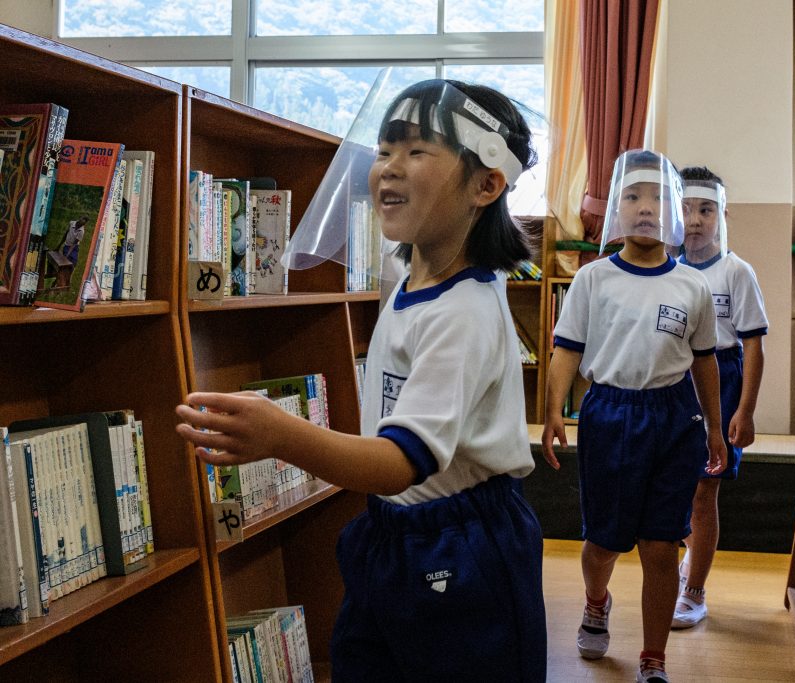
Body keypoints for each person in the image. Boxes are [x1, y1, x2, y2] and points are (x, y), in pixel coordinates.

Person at [175, 78, 547, 683]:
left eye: (417, 151)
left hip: (463, 545)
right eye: (383, 150)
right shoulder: (407, 278)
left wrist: (282, 435)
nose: (389, 169)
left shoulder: (466, 311)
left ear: (486, 184)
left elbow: (401, 462)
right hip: (393, 530)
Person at [542, 149, 727, 683]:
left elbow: (705, 363)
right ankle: (596, 601)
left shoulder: (691, 285)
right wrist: (554, 409)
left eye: (657, 197)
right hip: (610, 416)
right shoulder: (593, 280)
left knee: (661, 545)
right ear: (615, 209)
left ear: (672, 210)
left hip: (673, 418)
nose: (645, 207)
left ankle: (653, 657)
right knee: (603, 542)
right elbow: (566, 349)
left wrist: (715, 426)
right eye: (632, 196)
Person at [671, 166, 767, 629]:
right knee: (673, 488)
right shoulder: (664, 269)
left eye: (705, 209)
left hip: (722, 382)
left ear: (721, 214)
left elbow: (753, 347)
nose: (694, 220)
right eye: (686, 209)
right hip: (671, 384)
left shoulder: (737, 272)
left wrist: (744, 410)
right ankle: (674, 567)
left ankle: (694, 590)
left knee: (704, 493)